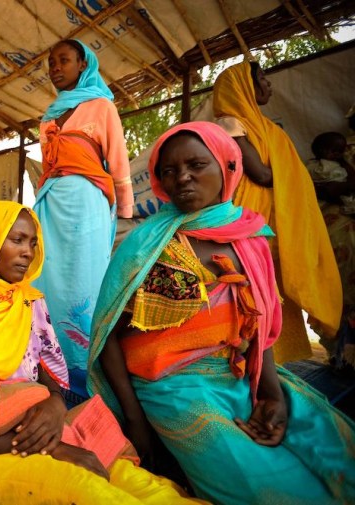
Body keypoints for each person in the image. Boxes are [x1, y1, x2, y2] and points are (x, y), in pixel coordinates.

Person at [87, 122, 355, 505]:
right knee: (265, 485)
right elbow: (109, 333)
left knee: (329, 446)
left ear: (228, 167)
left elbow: (257, 324)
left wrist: (272, 394)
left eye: (197, 164)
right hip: (171, 386)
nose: (182, 178)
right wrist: (134, 420)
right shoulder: (148, 244)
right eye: (168, 171)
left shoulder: (249, 237)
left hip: (240, 373)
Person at [0, 201, 204, 504]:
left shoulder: (28, 302)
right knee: (83, 488)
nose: (28, 252)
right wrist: (49, 447)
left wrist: (54, 404)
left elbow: (46, 374)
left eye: (32, 242)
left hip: (44, 428)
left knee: (138, 482)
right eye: (17, 240)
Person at [213, 61, 342, 363]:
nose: (268, 85)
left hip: (266, 214)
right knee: (253, 286)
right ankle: (252, 359)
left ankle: (273, 357)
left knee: (270, 286)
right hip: (250, 215)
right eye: (262, 79)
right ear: (244, 86)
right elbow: (260, 173)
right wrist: (298, 174)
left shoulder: (262, 125)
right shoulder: (230, 122)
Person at [33, 39, 133, 398]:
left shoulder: (102, 106)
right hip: (51, 202)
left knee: (85, 284)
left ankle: (85, 377)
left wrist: (124, 212)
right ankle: (51, 368)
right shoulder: (47, 117)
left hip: (87, 203)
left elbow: (117, 159)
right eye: (50, 62)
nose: (55, 67)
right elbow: (47, 167)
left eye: (64, 60)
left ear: (83, 64)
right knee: (48, 283)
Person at [0, 371, 138, 469]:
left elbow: (40, 361)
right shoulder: (7, 401)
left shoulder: (28, 304)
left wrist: (56, 399)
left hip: (56, 416)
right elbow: (37, 393)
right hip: (53, 441)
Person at [305, 131, 355, 374]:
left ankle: (344, 355)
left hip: (342, 243)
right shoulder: (318, 168)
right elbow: (334, 190)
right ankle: (339, 355)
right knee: (335, 297)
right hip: (332, 240)